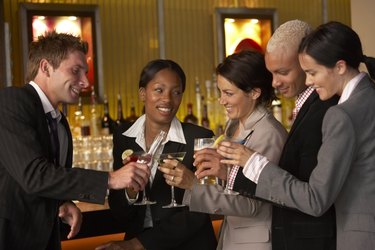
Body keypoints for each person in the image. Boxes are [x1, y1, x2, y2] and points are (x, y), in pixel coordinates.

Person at [214, 21, 375, 250]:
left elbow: (315, 198)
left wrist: (254, 163)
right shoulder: (365, 96)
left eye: (311, 72)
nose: (309, 81)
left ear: (339, 67)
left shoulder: (339, 113)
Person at [0, 31, 151, 250]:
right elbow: (33, 174)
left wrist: (61, 202)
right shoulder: (12, 101)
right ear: (45, 67)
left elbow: (45, 181)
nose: (85, 82)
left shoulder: (60, 122)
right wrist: (109, 179)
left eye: (86, 73)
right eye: (76, 70)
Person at [162, 50, 288, 250]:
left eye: (229, 93)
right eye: (221, 92)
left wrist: (193, 184)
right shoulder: (233, 125)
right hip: (231, 235)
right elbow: (230, 186)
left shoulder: (269, 134)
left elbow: (252, 204)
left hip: (255, 242)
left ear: (255, 92)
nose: (222, 100)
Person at [98, 59, 217, 250]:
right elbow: (119, 210)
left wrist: (137, 244)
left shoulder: (200, 137)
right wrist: (130, 191)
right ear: (143, 93)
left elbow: (202, 209)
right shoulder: (123, 135)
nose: (168, 99)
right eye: (159, 90)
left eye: (176, 92)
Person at [263, 20, 337, 250]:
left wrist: (253, 166)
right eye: (271, 73)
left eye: (282, 72)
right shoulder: (308, 106)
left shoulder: (326, 109)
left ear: (306, 62)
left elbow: (311, 193)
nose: (275, 83)